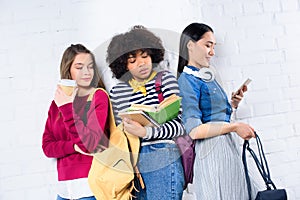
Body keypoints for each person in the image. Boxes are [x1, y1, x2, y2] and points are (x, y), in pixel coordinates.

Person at [177, 23, 262, 199]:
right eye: (208, 45)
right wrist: (234, 127)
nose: (212, 52)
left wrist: (232, 104)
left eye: (213, 46)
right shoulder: (187, 80)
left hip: (226, 146)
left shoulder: (206, 76)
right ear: (190, 45)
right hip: (213, 151)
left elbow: (213, 117)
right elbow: (194, 130)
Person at [107, 25, 185, 199]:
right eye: (132, 60)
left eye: (145, 56)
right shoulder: (118, 92)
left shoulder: (165, 79)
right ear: (124, 65)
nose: (142, 63)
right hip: (132, 162)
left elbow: (180, 125)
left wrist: (146, 132)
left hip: (162, 154)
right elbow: (119, 134)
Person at [42, 44, 109, 200]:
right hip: (64, 189)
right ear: (68, 70)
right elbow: (47, 147)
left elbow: (89, 144)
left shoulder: (98, 97)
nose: (86, 72)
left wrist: (66, 108)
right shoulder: (56, 104)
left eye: (90, 67)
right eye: (79, 67)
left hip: (90, 186)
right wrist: (73, 146)